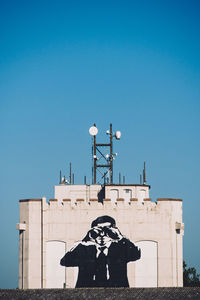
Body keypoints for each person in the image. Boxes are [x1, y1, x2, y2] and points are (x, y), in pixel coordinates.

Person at [60, 215, 141, 287]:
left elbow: (136, 254)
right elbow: (65, 261)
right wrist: (84, 240)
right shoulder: (84, 249)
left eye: (107, 231)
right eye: (98, 231)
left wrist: (121, 237)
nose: (102, 235)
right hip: (87, 293)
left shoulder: (120, 248)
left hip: (117, 293)